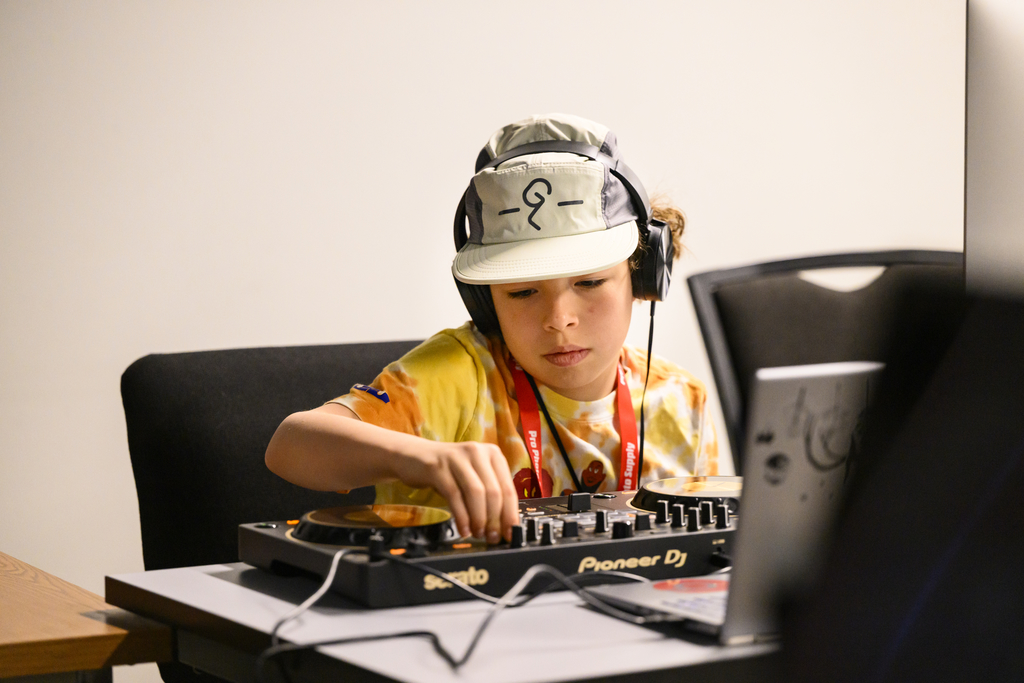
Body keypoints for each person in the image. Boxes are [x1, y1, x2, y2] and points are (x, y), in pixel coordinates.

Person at [265, 113, 719, 547]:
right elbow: (289, 447)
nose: (559, 318)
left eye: (589, 282)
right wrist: (421, 459)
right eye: (522, 292)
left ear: (643, 279)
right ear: (485, 301)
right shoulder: (457, 376)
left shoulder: (684, 402)